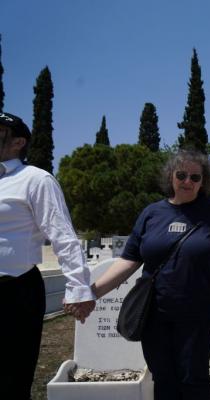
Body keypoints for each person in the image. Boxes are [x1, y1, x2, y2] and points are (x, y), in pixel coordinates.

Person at [91, 149, 210, 400]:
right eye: (181, 175)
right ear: (171, 176)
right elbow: (129, 260)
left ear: (203, 181)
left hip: (199, 314)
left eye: (195, 177)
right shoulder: (151, 213)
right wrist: (91, 293)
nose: (188, 181)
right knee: (163, 379)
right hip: (155, 314)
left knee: (193, 377)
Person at [0, 112, 96, 400]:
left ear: (18, 142)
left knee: (11, 382)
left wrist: (79, 288)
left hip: (14, 291)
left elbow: (62, 235)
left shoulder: (35, 179)